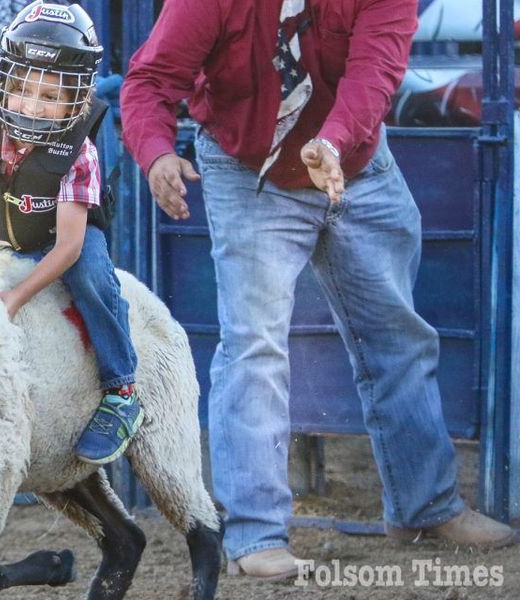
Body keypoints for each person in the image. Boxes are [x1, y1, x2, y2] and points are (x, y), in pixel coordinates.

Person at [120, 0, 518, 581]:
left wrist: (331, 144)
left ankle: (425, 508)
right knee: (254, 345)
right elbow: (151, 79)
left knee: (399, 336)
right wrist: (155, 154)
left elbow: (376, 70)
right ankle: (255, 534)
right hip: (246, 165)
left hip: (356, 163)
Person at [0, 1, 142, 464]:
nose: (33, 108)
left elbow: (71, 244)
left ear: (75, 98)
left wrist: (15, 298)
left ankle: (122, 389)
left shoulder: (78, 150)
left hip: (60, 242)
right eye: (23, 92)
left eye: (52, 97)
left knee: (93, 277)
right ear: (4, 83)